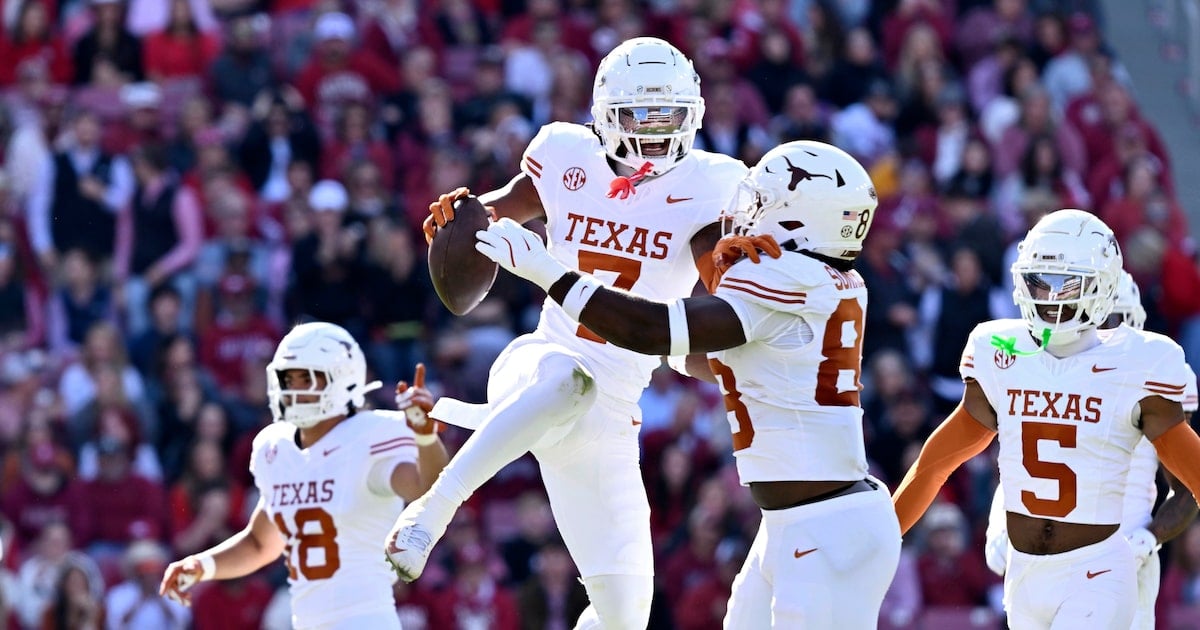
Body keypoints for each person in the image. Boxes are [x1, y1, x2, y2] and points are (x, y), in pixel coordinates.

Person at [386, 37, 748, 629]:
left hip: (613, 414)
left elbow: (717, 314)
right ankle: (431, 511)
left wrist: (751, 345)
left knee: (625, 616)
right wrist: (462, 220)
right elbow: (495, 213)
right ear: (605, 113)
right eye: (640, 114)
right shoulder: (564, 153)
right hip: (542, 360)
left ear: (695, 114)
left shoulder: (715, 186)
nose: (655, 132)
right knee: (568, 381)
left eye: (669, 116)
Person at [471, 140, 901, 628]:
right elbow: (704, 356)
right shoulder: (822, 279)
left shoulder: (788, 279)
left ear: (800, 218)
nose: (748, 214)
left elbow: (653, 328)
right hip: (799, 520)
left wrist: (549, 273)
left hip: (825, 522)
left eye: (763, 202)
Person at [891, 209, 1200, 628]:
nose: (1049, 298)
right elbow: (938, 461)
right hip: (1025, 574)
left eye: (1066, 283)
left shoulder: (1138, 360)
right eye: (1039, 281)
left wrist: (1151, 535)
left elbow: (1193, 475)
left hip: (1098, 569)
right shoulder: (1001, 349)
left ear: (1103, 286)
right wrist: (888, 532)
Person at [159, 323, 448, 630]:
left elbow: (426, 487)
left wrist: (426, 438)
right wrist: (202, 565)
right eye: (288, 378)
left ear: (342, 379)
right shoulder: (277, 448)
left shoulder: (370, 436)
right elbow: (260, 543)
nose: (294, 389)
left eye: (307, 379)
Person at [982, 270, 1199, 629]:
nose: (1101, 332)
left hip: (1121, 556)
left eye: (1111, 321)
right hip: (1046, 562)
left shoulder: (1154, 374)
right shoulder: (1043, 367)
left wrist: (1149, 536)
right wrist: (999, 522)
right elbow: (1023, 463)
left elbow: (1189, 483)